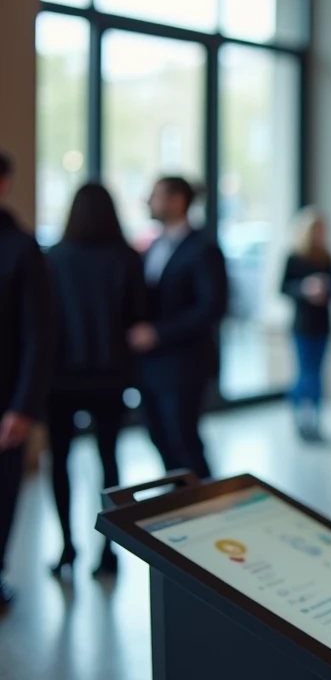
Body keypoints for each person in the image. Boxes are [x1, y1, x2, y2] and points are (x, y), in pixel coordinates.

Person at [44, 183, 148, 579]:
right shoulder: (126, 258)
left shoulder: (56, 257)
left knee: (61, 462)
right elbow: (137, 316)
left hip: (61, 377)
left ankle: (67, 547)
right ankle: (108, 551)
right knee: (109, 460)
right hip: (110, 374)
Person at [130, 177, 228, 480]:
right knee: (159, 437)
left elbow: (211, 308)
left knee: (184, 441)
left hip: (184, 364)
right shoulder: (155, 245)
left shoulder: (203, 248)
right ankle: (179, 502)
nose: (148, 201)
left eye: (155, 195)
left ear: (177, 201)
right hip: (151, 365)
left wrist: (158, 333)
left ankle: (203, 506)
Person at [0, 151, 54, 606]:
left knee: (1, 492)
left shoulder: (21, 247)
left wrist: (22, 406)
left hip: (5, 399)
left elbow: (38, 336)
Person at [280, 207, 331, 442]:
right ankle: (300, 417)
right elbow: (283, 289)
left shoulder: (327, 258)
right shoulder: (294, 257)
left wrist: (325, 292)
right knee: (305, 374)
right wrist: (305, 288)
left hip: (323, 324)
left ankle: (315, 421)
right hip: (302, 325)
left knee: (318, 375)